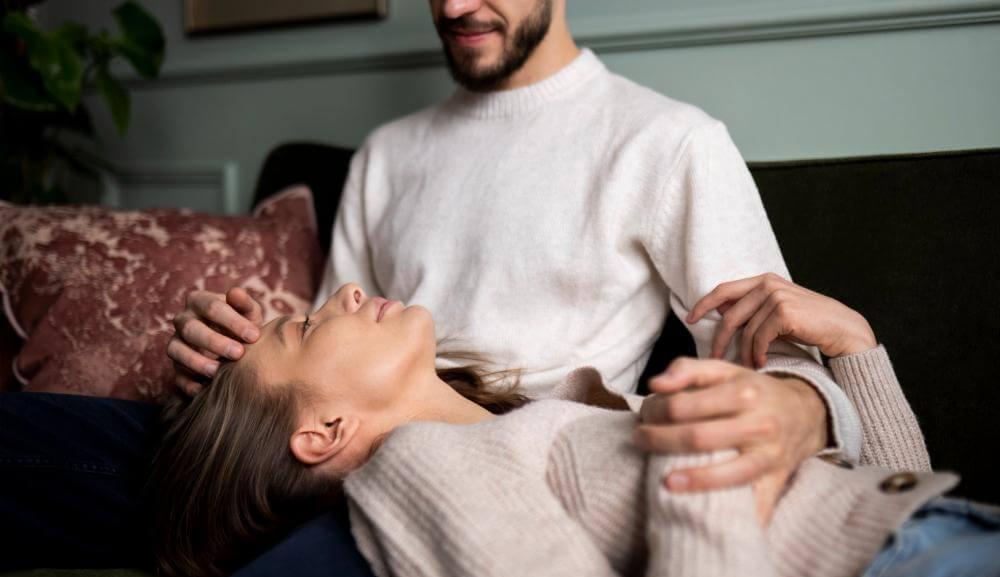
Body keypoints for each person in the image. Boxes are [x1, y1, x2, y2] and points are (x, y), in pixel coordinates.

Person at [168, 0, 867, 503]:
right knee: (127, 441)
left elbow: (778, 362)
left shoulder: (670, 143)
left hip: (526, 485)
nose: (455, 7)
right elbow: (324, 366)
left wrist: (804, 405)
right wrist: (223, 365)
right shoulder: (386, 154)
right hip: (353, 469)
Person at [148, 280, 1000, 577]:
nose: (336, 293)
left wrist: (854, 347)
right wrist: (703, 451)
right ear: (323, 430)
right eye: (302, 332)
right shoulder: (425, 467)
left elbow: (880, 506)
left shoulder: (549, 412)